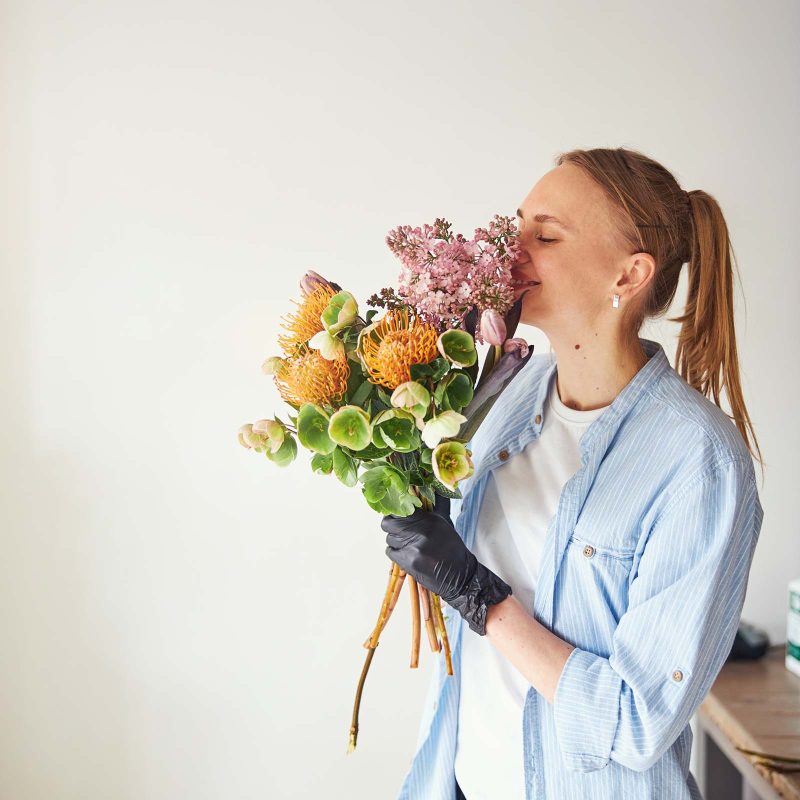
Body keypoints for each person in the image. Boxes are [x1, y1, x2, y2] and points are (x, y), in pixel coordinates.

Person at [382, 147, 765, 800]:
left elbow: (636, 720)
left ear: (629, 273)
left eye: (546, 235)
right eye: (517, 226)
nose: (510, 250)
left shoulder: (699, 462)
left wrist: (480, 596)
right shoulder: (504, 393)